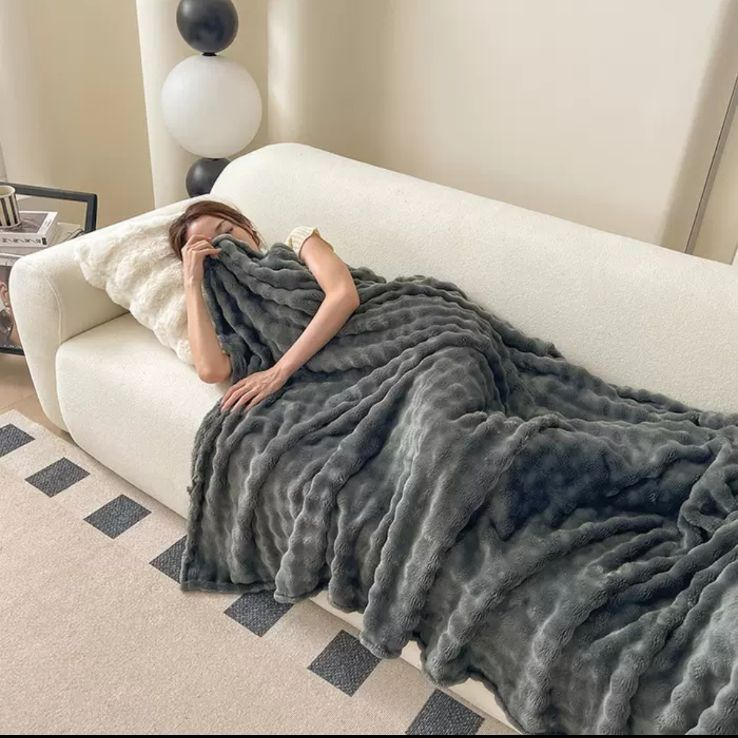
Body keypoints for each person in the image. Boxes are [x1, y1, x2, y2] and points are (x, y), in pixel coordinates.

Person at [168, 200, 361, 412]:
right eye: (211, 249)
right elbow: (211, 371)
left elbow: (343, 295)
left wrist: (278, 372)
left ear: (246, 226)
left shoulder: (299, 243)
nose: (227, 247)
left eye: (227, 231)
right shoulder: (231, 310)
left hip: (362, 337)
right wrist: (191, 282)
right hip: (320, 383)